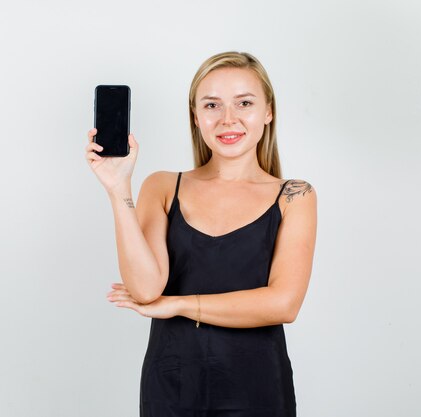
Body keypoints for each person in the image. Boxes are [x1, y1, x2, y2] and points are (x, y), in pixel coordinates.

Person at [85, 51, 317, 416]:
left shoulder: (294, 195)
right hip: (172, 388)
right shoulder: (163, 186)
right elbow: (146, 289)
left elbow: (283, 304)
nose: (228, 119)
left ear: (268, 111)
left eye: (244, 102)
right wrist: (118, 190)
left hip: (258, 391)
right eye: (212, 105)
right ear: (196, 116)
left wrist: (178, 304)